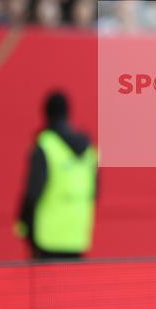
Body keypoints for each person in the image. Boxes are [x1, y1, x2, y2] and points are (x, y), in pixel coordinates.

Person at [15, 90, 98, 261]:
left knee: (48, 288)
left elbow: (33, 192)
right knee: (73, 287)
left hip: (47, 237)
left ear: (46, 113)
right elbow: (95, 192)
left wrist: (24, 224)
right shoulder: (89, 150)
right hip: (77, 236)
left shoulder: (45, 145)